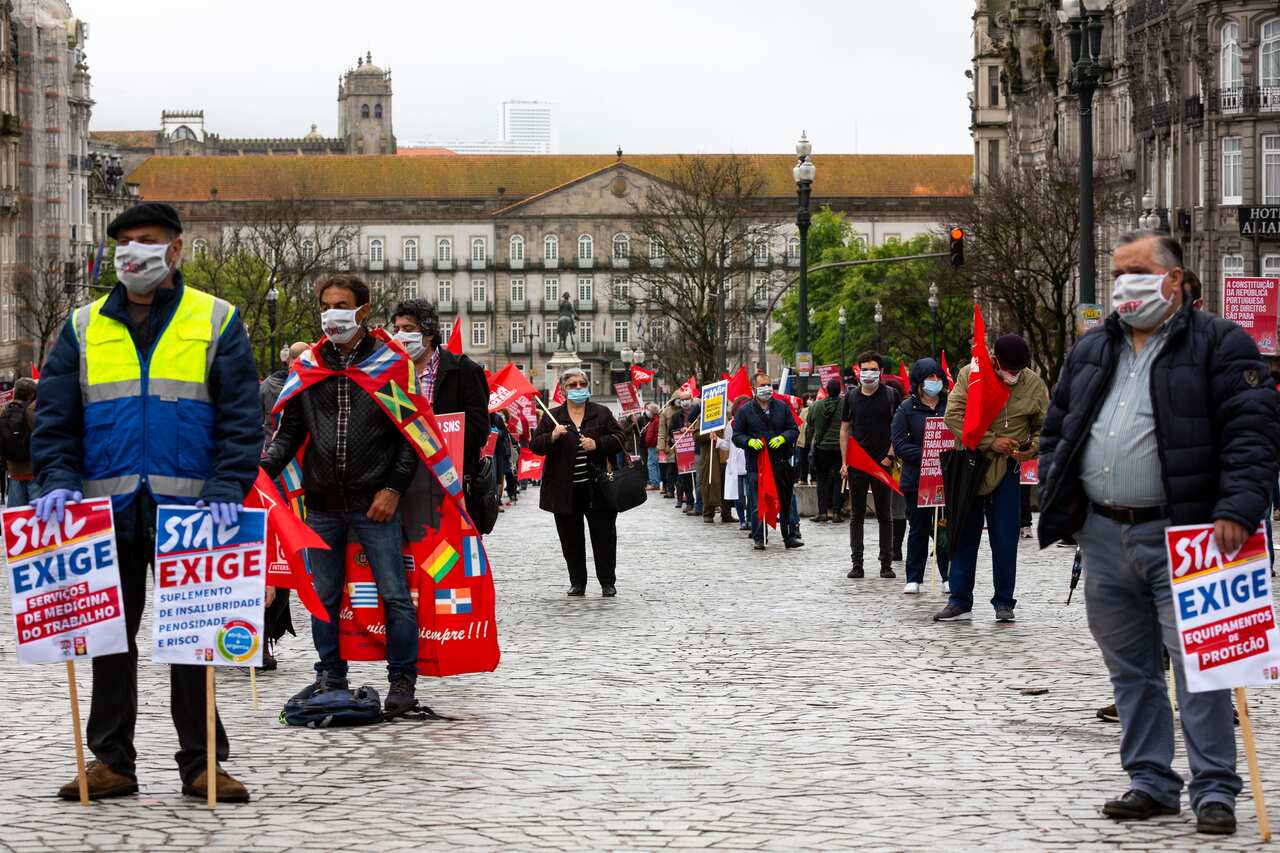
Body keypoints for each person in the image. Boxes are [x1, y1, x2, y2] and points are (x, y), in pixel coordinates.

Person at [1038, 231, 1280, 836]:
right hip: (1103, 533)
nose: (1124, 284)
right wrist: (1057, 491)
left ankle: (1215, 788)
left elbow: (1253, 436)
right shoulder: (1093, 349)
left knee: (1200, 666)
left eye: (1137, 271)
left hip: (1191, 533)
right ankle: (1150, 780)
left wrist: (1238, 509)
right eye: (1118, 273)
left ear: (1173, 280)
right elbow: (1059, 428)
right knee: (1131, 669)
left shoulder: (1221, 345)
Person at [32, 201, 261, 802]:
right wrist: (57, 477)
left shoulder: (216, 318)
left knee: (197, 638)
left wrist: (225, 486)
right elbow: (56, 418)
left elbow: (241, 418)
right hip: (104, 509)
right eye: (125, 242)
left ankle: (204, 762)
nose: (134, 251)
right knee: (109, 639)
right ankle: (111, 760)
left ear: (176, 250)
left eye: (147, 240)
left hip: (193, 513)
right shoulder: (82, 326)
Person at [261, 273, 421, 715]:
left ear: (363, 311)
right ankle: (331, 674)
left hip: (377, 504)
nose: (332, 314)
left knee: (394, 596)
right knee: (323, 597)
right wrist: (261, 471)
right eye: (325, 306)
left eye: (341, 305)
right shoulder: (308, 364)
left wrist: (393, 489)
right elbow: (289, 433)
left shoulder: (391, 363)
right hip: (323, 505)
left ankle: (402, 679)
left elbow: (413, 437)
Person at [933, 334, 1047, 623]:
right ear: (995, 361)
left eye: (1019, 370)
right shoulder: (970, 374)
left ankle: (1004, 601)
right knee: (962, 534)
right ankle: (959, 600)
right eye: (1009, 370)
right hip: (970, 465)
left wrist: (1032, 447)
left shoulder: (1033, 383)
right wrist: (990, 440)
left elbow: (1045, 425)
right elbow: (954, 416)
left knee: (1006, 538)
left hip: (1008, 469)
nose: (1014, 375)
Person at [529, 367, 625, 596]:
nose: (578, 388)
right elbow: (535, 446)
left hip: (597, 488)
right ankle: (577, 582)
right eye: (572, 385)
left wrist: (598, 444)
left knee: (604, 537)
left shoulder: (601, 413)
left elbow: (621, 437)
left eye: (582, 384)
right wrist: (552, 436)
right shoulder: (553, 416)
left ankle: (607, 582)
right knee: (571, 539)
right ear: (563, 390)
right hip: (565, 489)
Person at [390, 299, 488, 510]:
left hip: (452, 483)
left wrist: (437, 434)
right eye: (396, 329)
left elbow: (479, 430)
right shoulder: (389, 375)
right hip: (402, 484)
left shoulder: (465, 371)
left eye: (408, 329)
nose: (400, 335)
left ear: (429, 333)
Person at [839, 352, 901, 579]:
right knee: (856, 515)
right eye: (864, 369)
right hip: (857, 463)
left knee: (885, 514)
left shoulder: (891, 395)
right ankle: (857, 564)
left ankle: (886, 562)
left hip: (883, 462)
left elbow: (898, 426)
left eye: (873, 369)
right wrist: (844, 462)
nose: (868, 373)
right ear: (858, 371)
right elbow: (845, 429)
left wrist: (890, 455)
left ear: (881, 372)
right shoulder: (851, 397)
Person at [890, 358, 948, 594]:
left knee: (944, 529)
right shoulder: (906, 409)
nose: (934, 382)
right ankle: (914, 577)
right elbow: (900, 444)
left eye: (937, 377)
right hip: (917, 479)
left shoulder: (951, 404)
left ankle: (949, 576)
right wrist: (929, 454)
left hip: (945, 478)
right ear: (918, 381)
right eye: (929, 377)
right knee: (919, 529)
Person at [732, 372, 801, 550]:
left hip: (780, 461)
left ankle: (789, 536)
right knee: (757, 503)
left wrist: (783, 438)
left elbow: (794, 429)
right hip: (757, 465)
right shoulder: (745, 410)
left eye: (769, 385)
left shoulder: (782, 407)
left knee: (785, 501)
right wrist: (749, 442)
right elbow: (737, 436)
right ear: (754, 389)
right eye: (762, 385)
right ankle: (759, 537)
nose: (767, 389)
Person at [808, 380, 844, 524]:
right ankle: (836, 512)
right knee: (838, 480)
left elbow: (810, 422)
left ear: (827, 390)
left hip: (822, 448)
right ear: (839, 389)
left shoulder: (817, 405)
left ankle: (822, 513)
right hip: (841, 449)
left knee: (822, 481)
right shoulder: (844, 405)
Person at [260, 342, 310, 444]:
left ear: (288, 359)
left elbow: (257, 419)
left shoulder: (265, 385)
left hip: (271, 446)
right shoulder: (309, 384)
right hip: (301, 449)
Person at [1, 377, 38, 507]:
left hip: (13, 470)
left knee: (17, 515)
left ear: (14, 392)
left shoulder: (4, 411)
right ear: (32, 394)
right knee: (37, 515)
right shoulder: (31, 410)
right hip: (33, 470)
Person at [723, 396, 751, 530]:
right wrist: (716, 440)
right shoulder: (731, 424)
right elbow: (727, 444)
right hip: (736, 464)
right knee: (739, 495)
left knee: (752, 494)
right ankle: (742, 520)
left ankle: (751, 519)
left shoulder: (753, 422)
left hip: (750, 461)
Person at [656, 391, 684, 498]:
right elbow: (662, 430)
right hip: (670, 444)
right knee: (671, 468)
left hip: (683, 443)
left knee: (682, 470)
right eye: (678, 399)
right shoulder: (665, 412)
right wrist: (661, 446)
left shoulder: (684, 411)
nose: (680, 402)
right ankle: (670, 489)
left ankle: (681, 491)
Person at [643, 402, 661, 490]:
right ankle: (656, 482)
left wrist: (650, 442)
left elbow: (657, 434)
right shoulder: (654, 420)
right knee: (655, 464)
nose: (646, 412)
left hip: (653, 446)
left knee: (651, 464)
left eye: (648, 410)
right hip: (652, 445)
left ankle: (654, 483)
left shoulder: (656, 420)